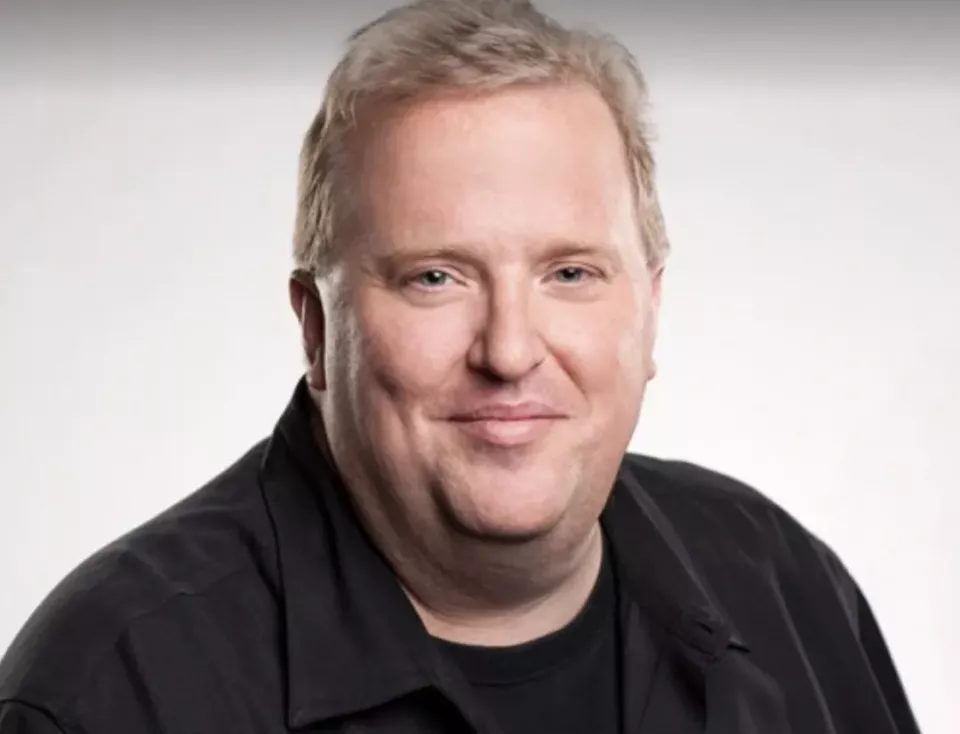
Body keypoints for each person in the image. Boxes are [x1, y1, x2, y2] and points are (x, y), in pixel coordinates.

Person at [0, 1, 921, 732]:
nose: (510, 351)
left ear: (648, 309)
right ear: (317, 329)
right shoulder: (112, 692)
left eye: (570, 273)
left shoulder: (783, 582)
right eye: (435, 278)